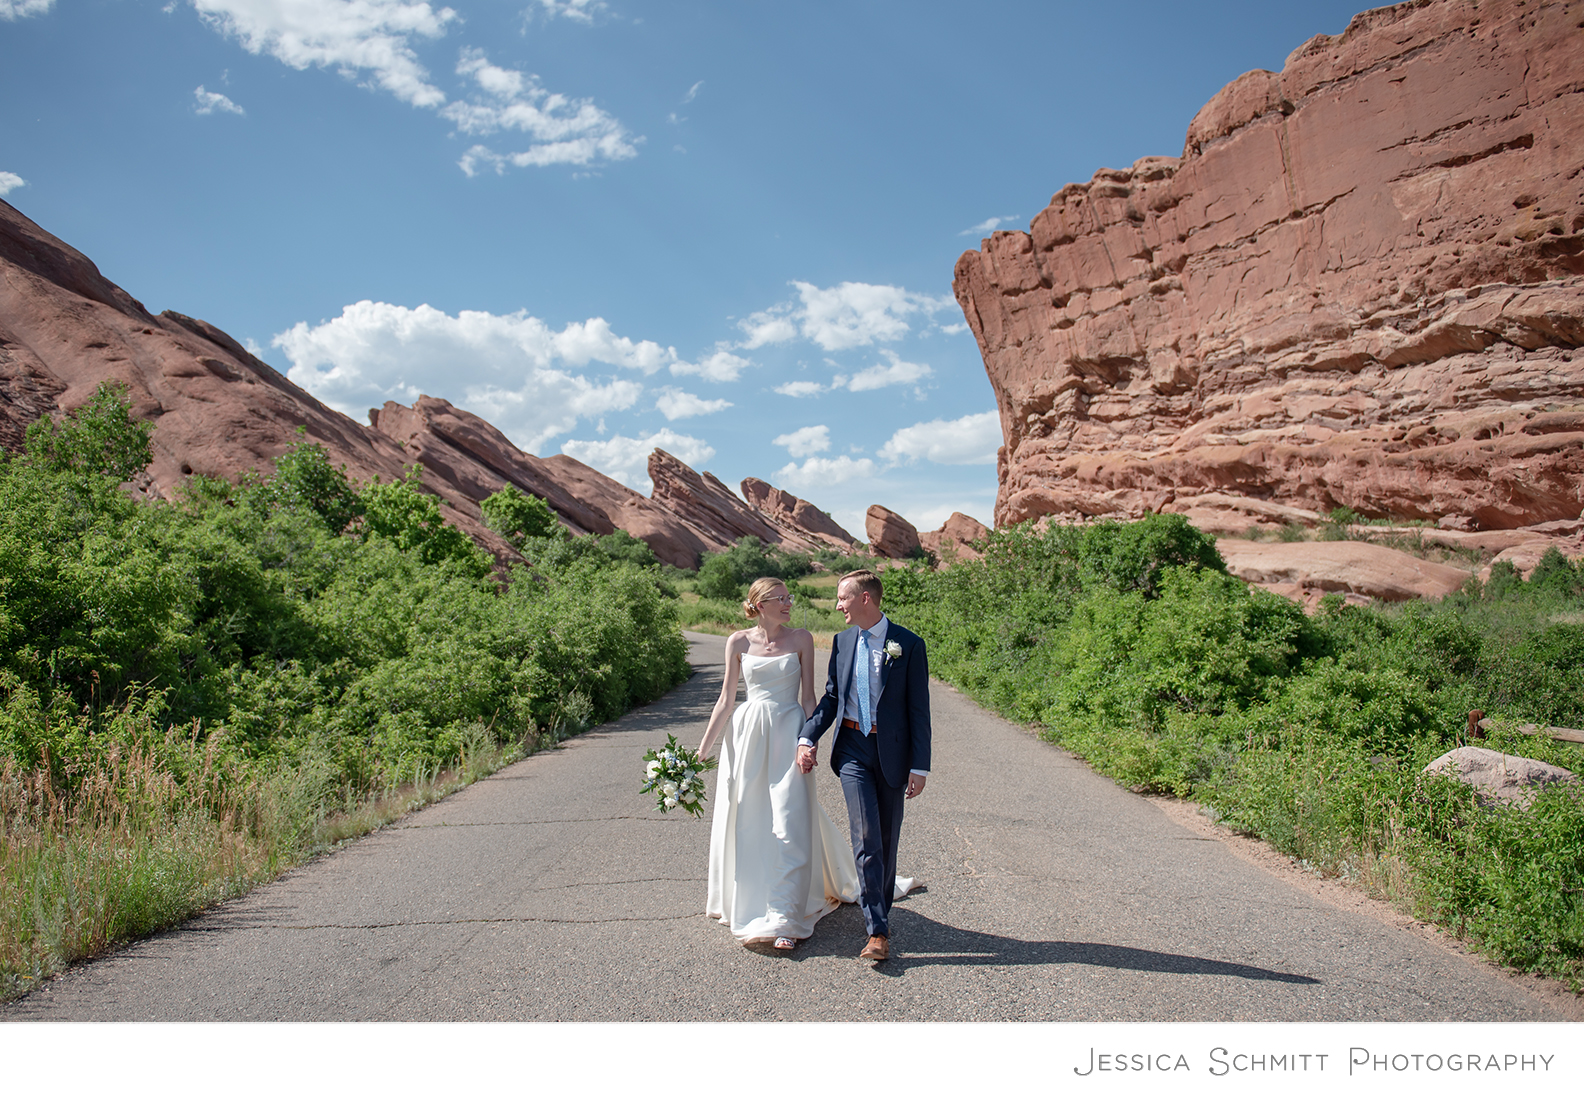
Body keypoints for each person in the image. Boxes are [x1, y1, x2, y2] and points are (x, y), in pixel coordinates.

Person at [699, 577, 858, 950]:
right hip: (748, 738)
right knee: (751, 820)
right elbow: (725, 700)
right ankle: (752, 904)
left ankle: (785, 918)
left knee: (789, 818)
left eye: (789, 597)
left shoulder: (802, 639)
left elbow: (808, 697)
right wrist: (702, 751)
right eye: (780, 598)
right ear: (758, 603)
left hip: (789, 735)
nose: (788, 603)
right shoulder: (737, 641)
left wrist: (811, 741)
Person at [797, 569, 930, 962]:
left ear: (865, 599)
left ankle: (880, 909)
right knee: (867, 835)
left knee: (887, 841)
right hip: (853, 747)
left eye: (843, 598)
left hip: (892, 754)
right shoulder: (841, 642)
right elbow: (832, 698)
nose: (838, 606)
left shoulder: (908, 644)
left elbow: (918, 710)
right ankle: (878, 932)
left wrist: (919, 766)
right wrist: (808, 737)